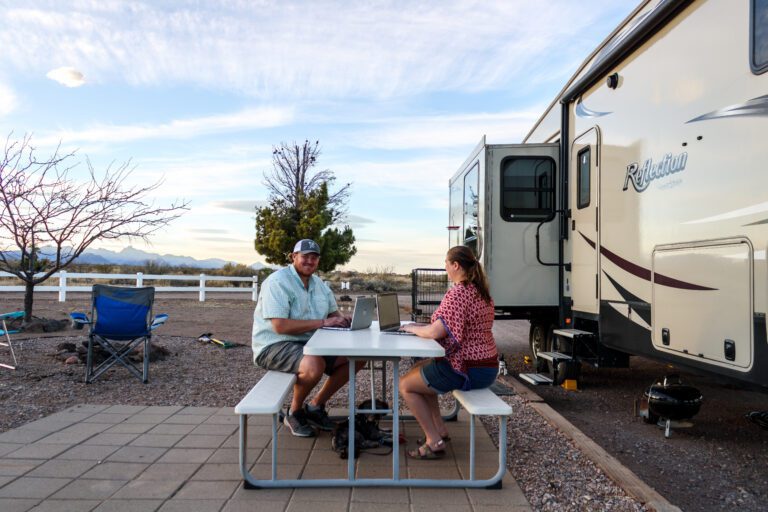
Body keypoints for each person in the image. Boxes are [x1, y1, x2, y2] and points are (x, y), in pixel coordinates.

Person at [399, 245, 498, 459]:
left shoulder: (459, 292)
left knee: (406, 385)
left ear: (456, 265)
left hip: (467, 368)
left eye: (446, 263)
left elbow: (437, 331)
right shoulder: (481, 292)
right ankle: (439, 430)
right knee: (419, 369)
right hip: (487, 366)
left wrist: (411, 328)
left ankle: (433, 441)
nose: (444, 268)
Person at [252, 239, 357, 437]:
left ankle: (315, 408)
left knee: (356, 358)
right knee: (314, 364)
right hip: (274, 345)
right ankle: (294, 412)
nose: (309, 261)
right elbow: (280, 326)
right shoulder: (277, 282)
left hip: (312, 343)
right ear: (294, 257)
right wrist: (323, 323)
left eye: (314, 257)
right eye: (305, 256)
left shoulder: (320, 285)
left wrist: (345, 321)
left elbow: (333, 314)